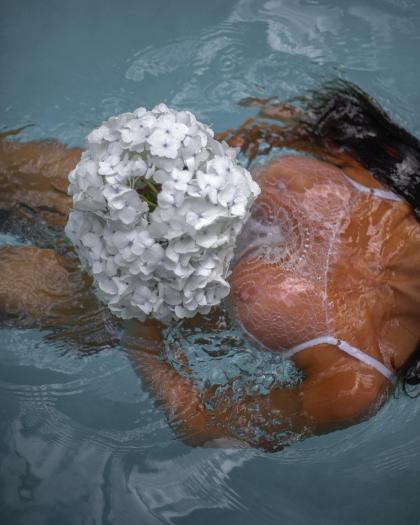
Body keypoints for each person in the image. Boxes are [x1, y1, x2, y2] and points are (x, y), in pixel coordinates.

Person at [0, 80, 419, 451]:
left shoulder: (354, 383)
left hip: (110, 300)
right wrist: (218, 149)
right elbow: (289, 121)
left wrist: (141, 336)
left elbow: (206, 426)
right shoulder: (397, 172)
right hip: (134, 193)